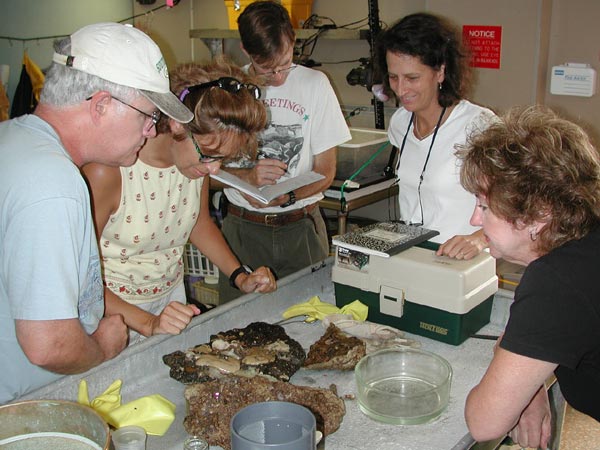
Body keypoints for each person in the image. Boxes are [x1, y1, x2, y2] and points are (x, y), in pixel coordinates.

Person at [0, 22, 194, 404]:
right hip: (20, 405)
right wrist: (103, 346)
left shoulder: (12, 138)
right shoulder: (55, 184)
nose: (151, 133)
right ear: (102, 104)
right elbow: (49, 346)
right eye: (147, 117)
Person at [82, 59, 277, 344]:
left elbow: (197, 222)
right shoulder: (109, 171)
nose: (214, 169)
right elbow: (78, 278)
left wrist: (239, 276)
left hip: (170, 307)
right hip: (110, 316)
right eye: (210, 155)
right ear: (176, 124)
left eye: (222, 159)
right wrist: (149, 323)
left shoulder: (194, 165)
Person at [461, 105, 600, 448]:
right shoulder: (584, 244)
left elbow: (484, 422)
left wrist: (513, 390)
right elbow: (531, 337)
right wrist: (529, 386)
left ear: (538, 214)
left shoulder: (556, 281)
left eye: (484, 206)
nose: (474, 221)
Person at [214, 0, 351, 303]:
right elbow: (203, 172)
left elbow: (326, 171)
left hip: (299, 228)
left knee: (312, 320)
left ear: (293, 39)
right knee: (235, 329)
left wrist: (287, 197)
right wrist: (246, 176)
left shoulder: (316, 85)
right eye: (267, 69)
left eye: (285, 61)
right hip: (242, 231)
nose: (278, 77)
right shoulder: (227, 92)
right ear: (247, 52)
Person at [376, 12, 496, 260]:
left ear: (440, 71)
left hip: (461, 260)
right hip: (412, 255)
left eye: (412, 78)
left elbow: (520, 205)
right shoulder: (400, 123)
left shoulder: (479, 126)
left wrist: (480, 239)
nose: (401, 89)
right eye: (393, 77)